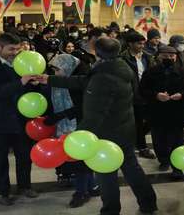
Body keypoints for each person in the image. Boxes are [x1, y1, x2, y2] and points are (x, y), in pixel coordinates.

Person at [31, 38, 158, 214]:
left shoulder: (104, 76)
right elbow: (85, 81)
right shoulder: (120, 67)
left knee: (106, 174)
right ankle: (148, 203)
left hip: (106, 134)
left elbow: (95, 114)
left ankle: (110, 210)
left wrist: (78, 135)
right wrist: (50, 79)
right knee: (131, 168)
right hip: (124, 128)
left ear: (97, 52)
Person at [0, 33, 39, 206]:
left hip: (20, 119)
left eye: (18, 49)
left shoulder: (23, 64)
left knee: (24, 156)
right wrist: (21, 82)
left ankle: (25, 186)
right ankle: (2, 191)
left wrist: (34, 83)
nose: (15, 53)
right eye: (11, 49)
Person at [44, 54, 100, 208]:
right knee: (80, 160)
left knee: (79, 160)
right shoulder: (59, 83)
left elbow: (83, 106)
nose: (56, 73)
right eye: (54, 70)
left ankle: (81, 192)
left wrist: (60, 115)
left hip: (81, 125)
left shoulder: (80, 83)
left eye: (58, 70)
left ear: (68, 68)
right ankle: (91, 186)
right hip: (66, 125)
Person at [139, 45, 184, 178]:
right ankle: (163, 160)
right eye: (165, 56)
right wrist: (156, 95)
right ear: (159, 56)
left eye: (171, 56)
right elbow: (142, 90)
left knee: (177, 140)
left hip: (176, 112)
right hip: (157, 112)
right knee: (159, 139)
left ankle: (177, 165)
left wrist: (181, 95)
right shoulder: (151, 72)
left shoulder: (183, 72)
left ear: (176, 57)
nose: (168, 58)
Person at [120, 31, 156, 160]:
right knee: (138, 122)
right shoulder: (123, 58)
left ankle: (136, 139)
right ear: (130, 44)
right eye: (139, 44)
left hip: (148, 93)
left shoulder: (148, 57)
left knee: (152, 120)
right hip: (132, 94)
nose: (141, 46)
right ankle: (142, 147)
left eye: (143, 43)